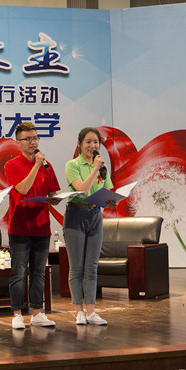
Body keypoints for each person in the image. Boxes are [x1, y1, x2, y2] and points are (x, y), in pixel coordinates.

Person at [4, 122, 61, 329]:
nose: (33, 142)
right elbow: (22, 189)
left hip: (42, 226)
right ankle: (17, 313)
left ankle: (37, 313)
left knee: (39, 272)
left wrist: (55, 198)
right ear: (18, 142)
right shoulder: (12, 165)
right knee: (19, 272)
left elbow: (52, 193)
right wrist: (36, 166)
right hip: (20, 226)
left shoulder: (48, 166)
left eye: (35, 138)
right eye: (28, 139)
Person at [63, 127, 115, 325]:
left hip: (95, 215)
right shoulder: (72, 165)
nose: (93, 146)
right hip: (76, 215)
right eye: (88, 142)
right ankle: (79, 311)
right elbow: (82, 190)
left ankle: (91, 312)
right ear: (79, 144)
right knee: (77, 267)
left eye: (96, 142)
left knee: (92, 266)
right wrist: (95, 169)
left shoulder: (102, 166)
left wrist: (112, 200)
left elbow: (107, 191)